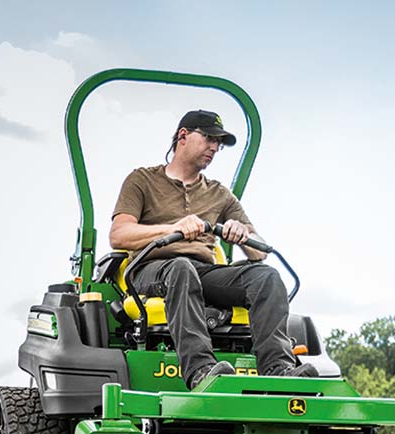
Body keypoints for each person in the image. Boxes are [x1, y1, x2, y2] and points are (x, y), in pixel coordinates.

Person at [109, 109, 317, 388]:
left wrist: (242, 235)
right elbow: (119, 235)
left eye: (219, 143)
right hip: (150, 269)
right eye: (208, 138)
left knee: (266, 276)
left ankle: (278, 368)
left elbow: (259, 252)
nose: (215, 147)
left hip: (204, 272)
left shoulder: (219, 193)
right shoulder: (143, 180)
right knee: (181, 268)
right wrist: (173, 229)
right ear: (183, 136)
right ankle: (200, 370)